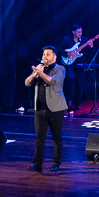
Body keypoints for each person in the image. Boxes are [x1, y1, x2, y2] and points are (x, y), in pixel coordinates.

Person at [25, 45, 68, 173]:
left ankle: (56, 163)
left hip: (56, 109)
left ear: (54, 56)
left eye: (48, 55)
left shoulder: (60, 69)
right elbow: (27, 83)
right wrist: (35, 74)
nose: (44, 57)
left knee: (56, 137)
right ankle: (37, 164)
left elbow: (53, 82)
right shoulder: (40, 69)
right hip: (40, 109)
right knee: (39, 138)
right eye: (43, 54)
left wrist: (40, 73)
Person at [60, 24, 92, 110]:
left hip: (80, 64)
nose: (80, 33)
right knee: (70, 80)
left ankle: (78, 103)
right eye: (78, 32)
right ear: (73, 32)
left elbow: (90, 52)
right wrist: (68, 53)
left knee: (80, 83)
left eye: (81, 32)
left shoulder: (84, 40)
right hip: (69, 64)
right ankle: (67, 100)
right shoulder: (66, 39)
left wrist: (91, 46)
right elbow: (59, 49)